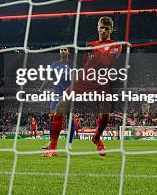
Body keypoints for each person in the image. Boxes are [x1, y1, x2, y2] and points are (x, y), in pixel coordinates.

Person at [44, 16, 122, 157]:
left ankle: (96, 138)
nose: (103, 31)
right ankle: (52, 147)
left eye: (107, 29)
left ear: (111, 30)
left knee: (106, 113)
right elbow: (87, 63)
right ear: (97, 27)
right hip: (85, 79)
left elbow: (107, 62)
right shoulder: (89, 45)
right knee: (60, 106)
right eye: (101, 28)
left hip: (102, 81)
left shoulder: (116, 45)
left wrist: (95, 49)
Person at [48, 47, 77, 147]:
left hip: (68, 93)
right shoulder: (55, 64)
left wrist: (68, 90)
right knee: (52, 117)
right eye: (61, 49)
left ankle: (69, 143)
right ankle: (51, 142)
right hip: (56, 92)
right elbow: (50, 77)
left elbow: (74, 79)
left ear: (68, 52)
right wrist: (41, 88)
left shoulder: (72, 64)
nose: (63, 51)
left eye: (65, 49)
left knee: (70, 117)